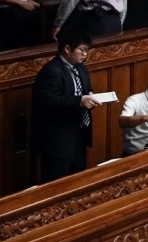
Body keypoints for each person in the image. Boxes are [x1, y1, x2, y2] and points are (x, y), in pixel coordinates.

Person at [32, 26, 107, 183]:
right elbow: (47, 101)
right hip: (57, 142)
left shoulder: (81, 68)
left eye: (87, 50)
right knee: (55, 186)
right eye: (82, 50)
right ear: (67, 48)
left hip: (78, 136)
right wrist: (80, 101)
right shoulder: (51, 71)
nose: (85, 54)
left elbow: (86, 89)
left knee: (77, 183)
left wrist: (90, 96)